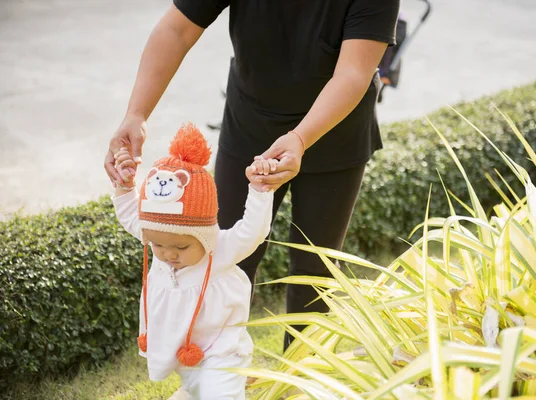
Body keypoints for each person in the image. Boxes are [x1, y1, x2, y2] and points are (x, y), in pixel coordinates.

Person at [105, 0, 400, 349]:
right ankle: (215, 373)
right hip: (250, 123)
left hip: (336, 132)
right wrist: (136, 113)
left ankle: (298, 379)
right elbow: (177, 28)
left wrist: (300, 138)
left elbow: (353, 73)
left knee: (315, 271)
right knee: (218, 258)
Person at [111, 123, 278, 399]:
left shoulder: (219, 249)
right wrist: (125, 185)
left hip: (222, 350)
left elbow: (253, 232)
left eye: (181, 246)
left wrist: (259, 190)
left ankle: (232, 383)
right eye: (158, 245)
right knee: (195, 387)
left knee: (219, 393)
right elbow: (131, 215)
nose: (168, 254)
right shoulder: (160, 240)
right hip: (186, 350)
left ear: (203, 234)